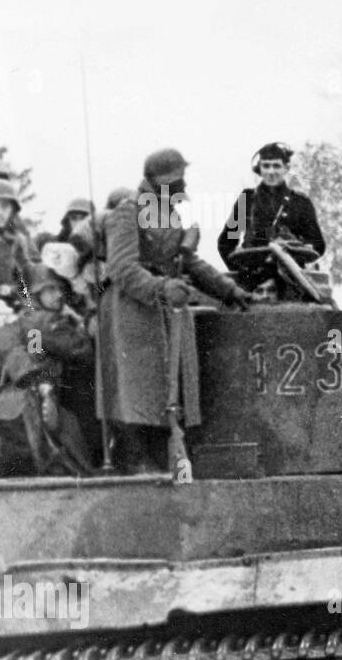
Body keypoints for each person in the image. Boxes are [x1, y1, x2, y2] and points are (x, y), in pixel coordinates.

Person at [98, 148, 252, 473]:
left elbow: (188, 261)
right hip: (132, 312)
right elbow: (122, 267)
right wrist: (159, 287)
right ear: (156, 181)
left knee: (166, 388)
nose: (182, 184)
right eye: (175, 178)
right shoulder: (127, 213)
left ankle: (159, 457)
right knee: (136, 387)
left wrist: (227, 289)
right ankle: (135, 458)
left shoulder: (169, 214)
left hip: (165, 309)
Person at [0, 263, 94, 477]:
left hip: (13, 403)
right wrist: (80, 323)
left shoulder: (21, 320)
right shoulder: (45, 319)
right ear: (34, 294)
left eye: (58, 288)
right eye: (49, 290)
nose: (58, 295)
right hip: (38, 400)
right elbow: (81, 350)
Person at [218, 142, 325, 290]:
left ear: (286, 168)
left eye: (276, 166)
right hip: (252, 281)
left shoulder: (300, 203)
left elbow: (318, 244)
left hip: (291, 281)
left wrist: (295, 253)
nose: (271, 171)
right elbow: (225, 243)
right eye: (266, 166)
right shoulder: (247, 199)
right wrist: (242, 272)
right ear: (259, 169)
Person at [0, 178, 34, 301]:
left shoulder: (16, 240)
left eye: (5, 206)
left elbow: (25, 275)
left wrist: (13, 290)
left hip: (5, 303)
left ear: (12, 210)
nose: (0, 212)